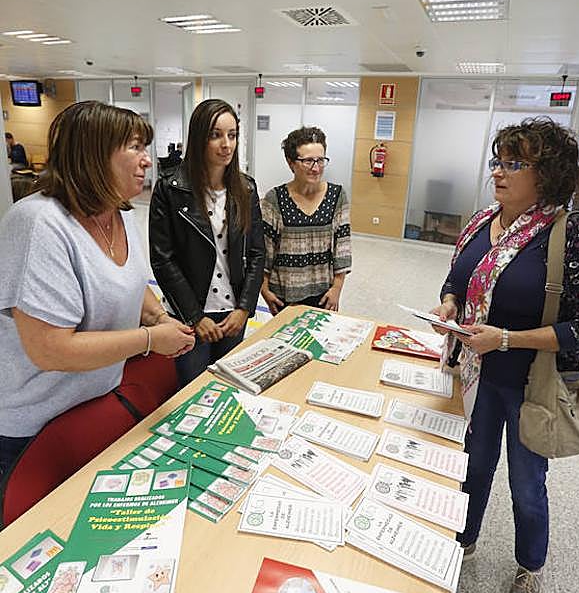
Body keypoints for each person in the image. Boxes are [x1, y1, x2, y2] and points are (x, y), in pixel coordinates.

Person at [431, 117, 579, 593]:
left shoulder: (572, 236)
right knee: (472, 466)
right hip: (476, 375)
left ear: (547, 174)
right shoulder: (481, 222)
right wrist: (450, 303)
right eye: (499, 161)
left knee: (526, 485)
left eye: (515, 164)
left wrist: (509, 339)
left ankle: (530, 567)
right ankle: (463, 538)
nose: (499, 171)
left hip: (532, 386)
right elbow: (457, 277)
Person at [0, 101, 195, 478]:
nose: (147, 160)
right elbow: (50, 349)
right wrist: (150, 339)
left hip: (92, 407)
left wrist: (159, 317)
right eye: (135, 147)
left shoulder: (118, 213)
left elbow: (129, 283)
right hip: (34, 429)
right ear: (93, 155)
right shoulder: (39, 223)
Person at [149, 99, 265, 388]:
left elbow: (256, 253)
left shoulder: (246, 188)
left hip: (232, 314)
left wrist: (244, 309)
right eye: (216, 135)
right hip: (189, 313)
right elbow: (163, 259)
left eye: (232, 135)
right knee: (192, 391)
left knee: (230, 388)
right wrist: (195, 317)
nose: (226, 144)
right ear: (199, 137)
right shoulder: (170, 189)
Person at [261, 126, 352, 314]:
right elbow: (264, 250)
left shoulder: (337, 196)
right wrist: (264, 290)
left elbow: (342, 247)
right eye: (308, 161)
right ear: (291, 162)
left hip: (324, 294)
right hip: (284, 295)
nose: (316, 168)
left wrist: (337, 289)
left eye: (320, 160)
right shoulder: (275, 199)